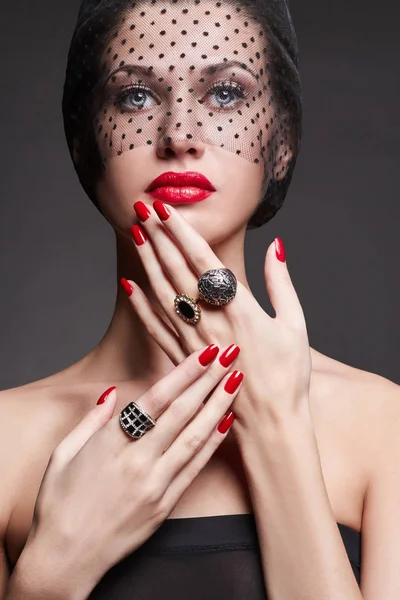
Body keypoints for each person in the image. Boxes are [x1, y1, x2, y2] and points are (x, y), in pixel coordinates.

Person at [1, 0, 400, 598]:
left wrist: (276, 427)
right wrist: (54, 569)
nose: (179, 135)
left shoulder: (383, 426)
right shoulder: (7, 437)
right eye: (135, 97)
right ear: (83, 144)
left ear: (282, 142)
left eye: (225, 95)